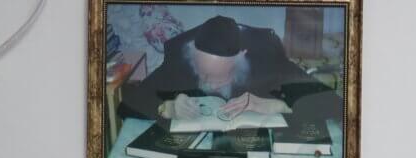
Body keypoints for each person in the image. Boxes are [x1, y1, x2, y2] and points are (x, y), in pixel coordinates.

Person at [118, 14, 335, 124]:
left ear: (242, 57)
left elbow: (333, 105)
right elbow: (127, 105)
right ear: (191, 55)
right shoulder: (180, 60)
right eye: (203, 74)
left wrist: (279, 106)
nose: (210, 84)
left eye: (220, 77)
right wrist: (167, 108)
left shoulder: (265, 58)